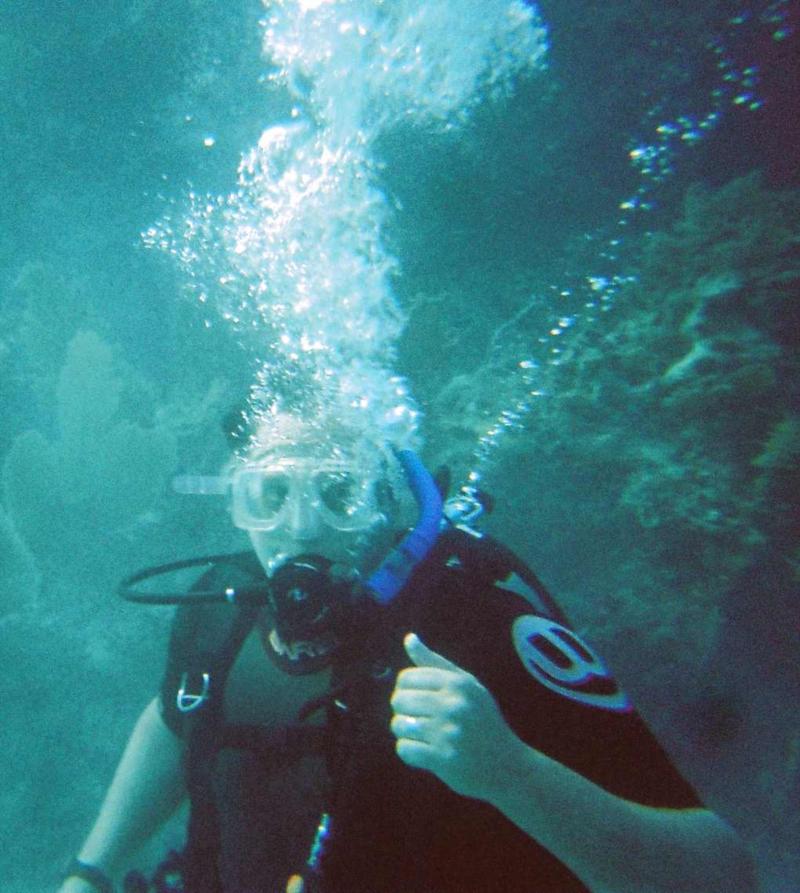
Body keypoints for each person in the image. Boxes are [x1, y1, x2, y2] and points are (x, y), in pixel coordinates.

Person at [59, 410, 757, 893]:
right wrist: (91, 871)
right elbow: (177, 715)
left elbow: (725, 871)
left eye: (338, 492)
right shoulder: (222, 608)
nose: (299, 529)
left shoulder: (481, 625)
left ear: (386, 495)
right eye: (270, 493)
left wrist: (515, 773)